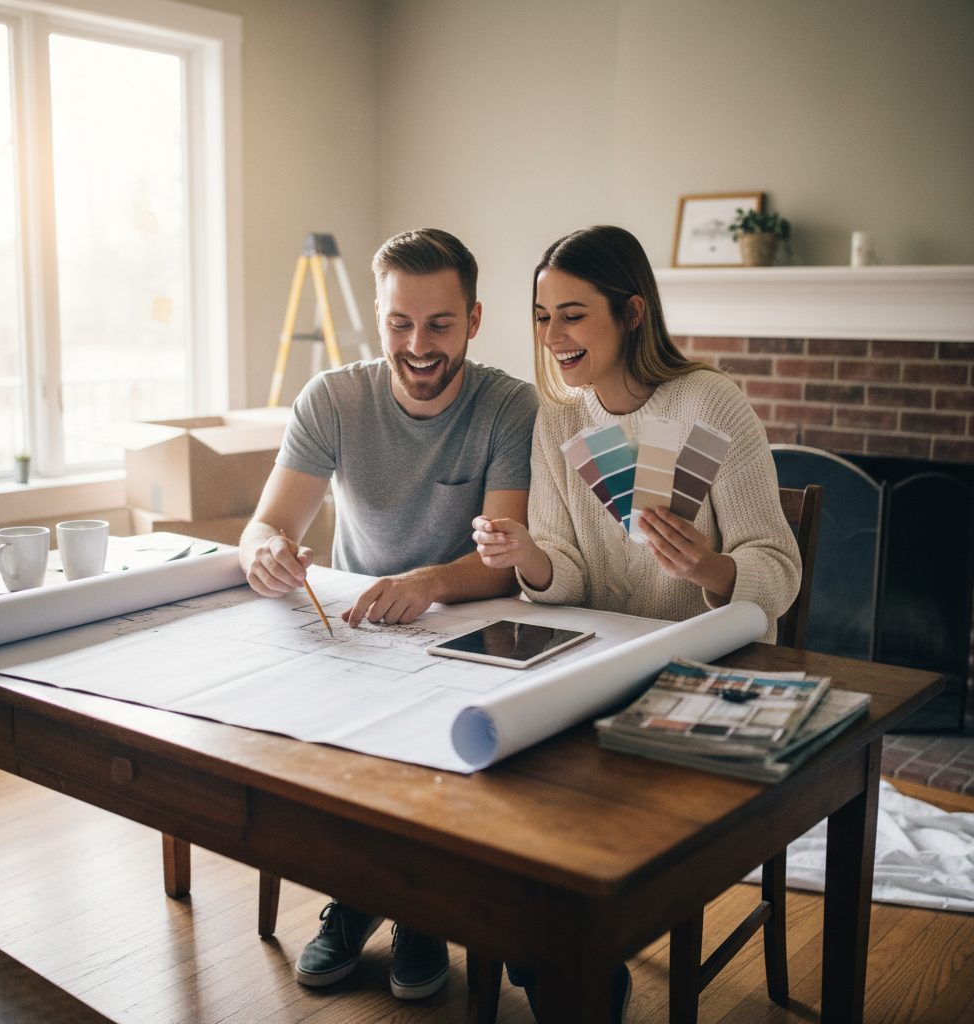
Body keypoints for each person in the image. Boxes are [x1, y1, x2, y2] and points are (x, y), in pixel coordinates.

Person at [472, 224, 802, 1021]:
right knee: (502, 795)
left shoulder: (708, 401)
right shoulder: (557, 421)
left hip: (706, 675)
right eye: (543, 315)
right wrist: (530, 556)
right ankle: (568, 968)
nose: (553, 337)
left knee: (573, 813)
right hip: (601, 668)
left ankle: (573, 967)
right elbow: (571, 572)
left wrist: (712, 570)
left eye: (573, 315)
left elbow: (780, 571)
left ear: (631, 313)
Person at [239, 228, 538, 1001]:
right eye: (400, 323)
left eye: (439, 324)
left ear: (473, 319)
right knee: (325, 737)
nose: (418, 344)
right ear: (380, 317)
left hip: (472, 634)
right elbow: (266, 526)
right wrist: (265, 552)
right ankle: (361, 896)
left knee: (445, 748)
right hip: (362, 632)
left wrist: (432, 581)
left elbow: (506, 556)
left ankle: (421, 911)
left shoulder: (510, 406)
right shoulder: (333, 398)